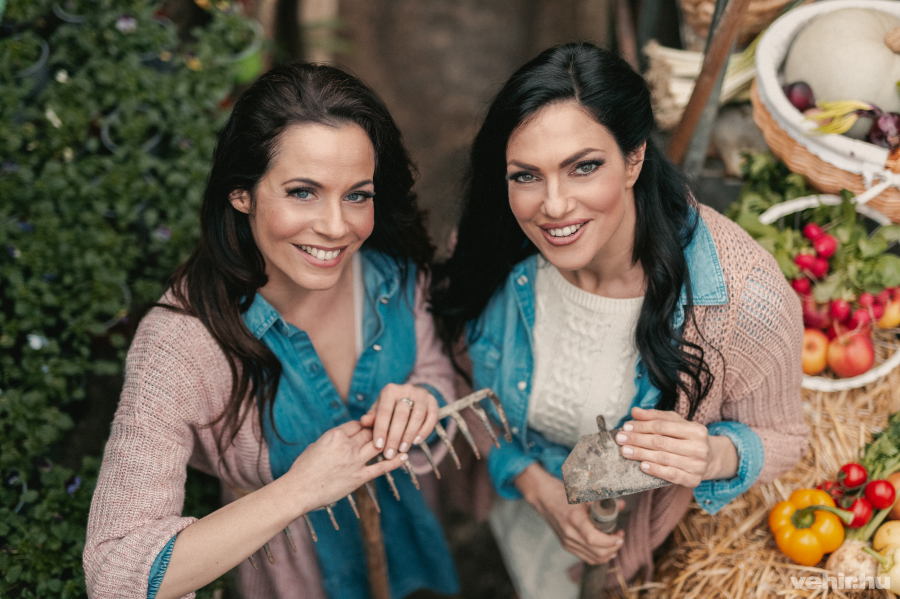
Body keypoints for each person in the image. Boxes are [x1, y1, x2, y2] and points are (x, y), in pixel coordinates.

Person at [431, 43, 807, 598]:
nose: (554, 206)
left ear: (634, 159)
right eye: (526, 176)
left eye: (583, 167)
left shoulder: (741, 299)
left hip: (625, 543)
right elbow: (462, 378)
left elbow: (785, 437)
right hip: (522, 503)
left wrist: (711, 455)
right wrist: (530, 483)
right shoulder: (489, 249)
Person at [84, 63, 460, 599]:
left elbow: (436, 375)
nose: (337, 227)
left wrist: (422, 399)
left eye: (357, 195)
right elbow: (115, 572)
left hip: (411, 538)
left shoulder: (394, 272)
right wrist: (299, 490)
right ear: (242, 193)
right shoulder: (177, 344)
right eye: (303, 192)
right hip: (298, 579)